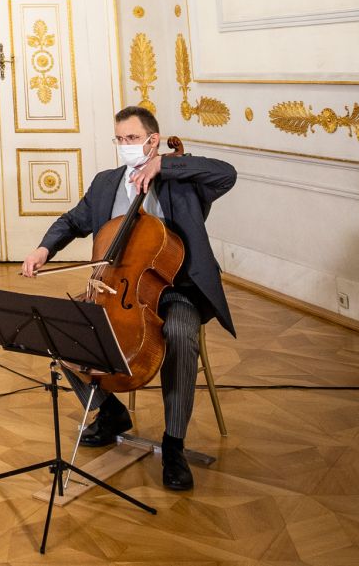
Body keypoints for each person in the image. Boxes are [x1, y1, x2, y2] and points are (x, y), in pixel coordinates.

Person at [19, 105, 236, 492]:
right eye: (120, 139)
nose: (125, 146)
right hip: (118, 289)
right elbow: (72, 220)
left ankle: (174, 445)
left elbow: (227, 173)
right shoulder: (106, 183)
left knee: (182, 337)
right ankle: (111, 411)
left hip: (177, 289)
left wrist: (165, 166)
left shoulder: (180, 180)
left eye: (132, 139)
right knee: (61, 328)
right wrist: (42, 250)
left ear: (153, 140)